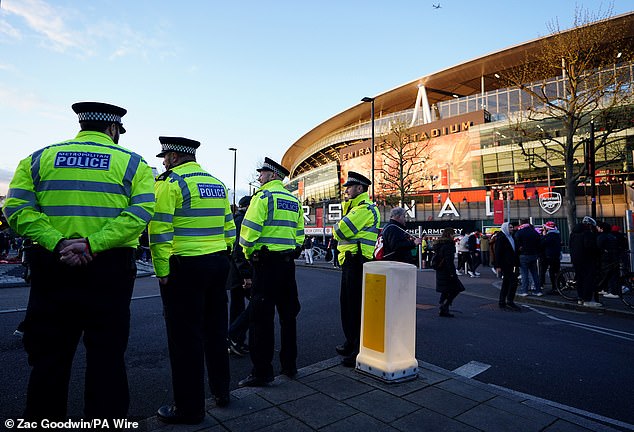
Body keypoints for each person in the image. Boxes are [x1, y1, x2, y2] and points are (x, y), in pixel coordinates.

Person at [2, 102, 155, 420]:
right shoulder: (133, 164)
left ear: (82, 125)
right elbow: (140, 214)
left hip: (52, 268)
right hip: (109, 271)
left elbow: (15, 209)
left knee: (49, 360)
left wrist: (58, 242)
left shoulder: (37, 159)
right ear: (113, 129)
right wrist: (93, 244)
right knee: (107, 360)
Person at [150, 136, 235, 423]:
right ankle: (222, 392)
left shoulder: (170, 182)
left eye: (165, 157)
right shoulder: (217, 184)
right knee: (215, 332)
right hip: (217, 263)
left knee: (185, 339)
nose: (163, 162)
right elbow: (229, 228)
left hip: (184, 268)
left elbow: (159, 230)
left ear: (174, 157)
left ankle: (189, 408)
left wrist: (162, 270)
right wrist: (225, 258)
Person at [237, 157, 304, 387]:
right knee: (288, 316)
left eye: (262, 173)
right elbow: (300, 234)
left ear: (273, 175)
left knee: (261, 320)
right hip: (287, 266)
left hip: (265, 266)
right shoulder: (293, 200)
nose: (259, 177)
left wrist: (249, 254)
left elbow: (248, 233)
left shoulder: (263, 197)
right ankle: (289, 366)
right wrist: (292, 250)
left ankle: (262, 372)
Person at [333, 171, 380, 367]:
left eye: (350, 187)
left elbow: (339, 231)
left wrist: (339, 225)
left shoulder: (363, 210)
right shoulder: (356, 209)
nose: (347, 191)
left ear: (360, 188)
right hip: (352, 261)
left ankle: (357, 350)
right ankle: (351, 342)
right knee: (348, 305)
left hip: (357, 262)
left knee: (355, 307)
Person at [226, 195, 253, 356]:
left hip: (235, 273)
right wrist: (246, 275)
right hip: (240, 274)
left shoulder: (236, 219)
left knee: (237, 307)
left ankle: (236, 342)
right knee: (255, 304)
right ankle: (234, 335)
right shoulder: (242, 221)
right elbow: (239, 250)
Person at [569, 216, 601, 307]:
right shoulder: (587, 234)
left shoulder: (573, 234)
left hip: (576, 259)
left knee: (580, 279)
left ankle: (580, 298)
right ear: (589, 225)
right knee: (588, 279)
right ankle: (587, 299)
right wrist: (597, 251)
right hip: (587, 259)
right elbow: (589, 246)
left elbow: (570, 246)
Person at [433, 228, 464, 317]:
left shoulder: (439, 244)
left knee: (446, 290)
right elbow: (449, 261)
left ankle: (443, 305)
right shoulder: (448, 245)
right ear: (449, 234)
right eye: (453, 234)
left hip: (440, 270)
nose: (453, 236)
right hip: (447, 271)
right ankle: (444, 305)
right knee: (456, 288)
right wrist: (452, 273)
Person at [494, 222, 521, 311]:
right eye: (510, 227)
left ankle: (502, 301)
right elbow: (497, 252)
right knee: (513, 282)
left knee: (506, 282)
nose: (512, 229)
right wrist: (497, 265)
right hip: (506, 264)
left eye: (512, 227)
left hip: (512, 263)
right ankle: (509, 301)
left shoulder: (511, 237)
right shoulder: (501, 237)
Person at [514, 218, 543, 296]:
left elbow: (516, 244)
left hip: (523, 255)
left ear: (521, 223)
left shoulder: (519, 233)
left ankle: (524, 291)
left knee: (524, 274)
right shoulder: (534, 232)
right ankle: (538, 291)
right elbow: (539, 243)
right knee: (535, 274)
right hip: (533, 255)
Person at [596, 221, 620, 299]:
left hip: (606, 258)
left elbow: (598, 247)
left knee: (607, 274)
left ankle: (612, 291)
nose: (597, 228)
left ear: (601, 229)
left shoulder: (601, 236)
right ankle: (609, 290)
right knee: (612, 274)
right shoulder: (612, 236)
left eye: (598, 227)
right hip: (614, 257)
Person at [539, 221, 562, 295]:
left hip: (550, 256)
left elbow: (542, 243)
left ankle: (555, 288)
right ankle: (559, 286)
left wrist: (543, 235)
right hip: (556, 255)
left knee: (552, 272)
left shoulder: (549, 235)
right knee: (557, 271)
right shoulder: (557, 234)